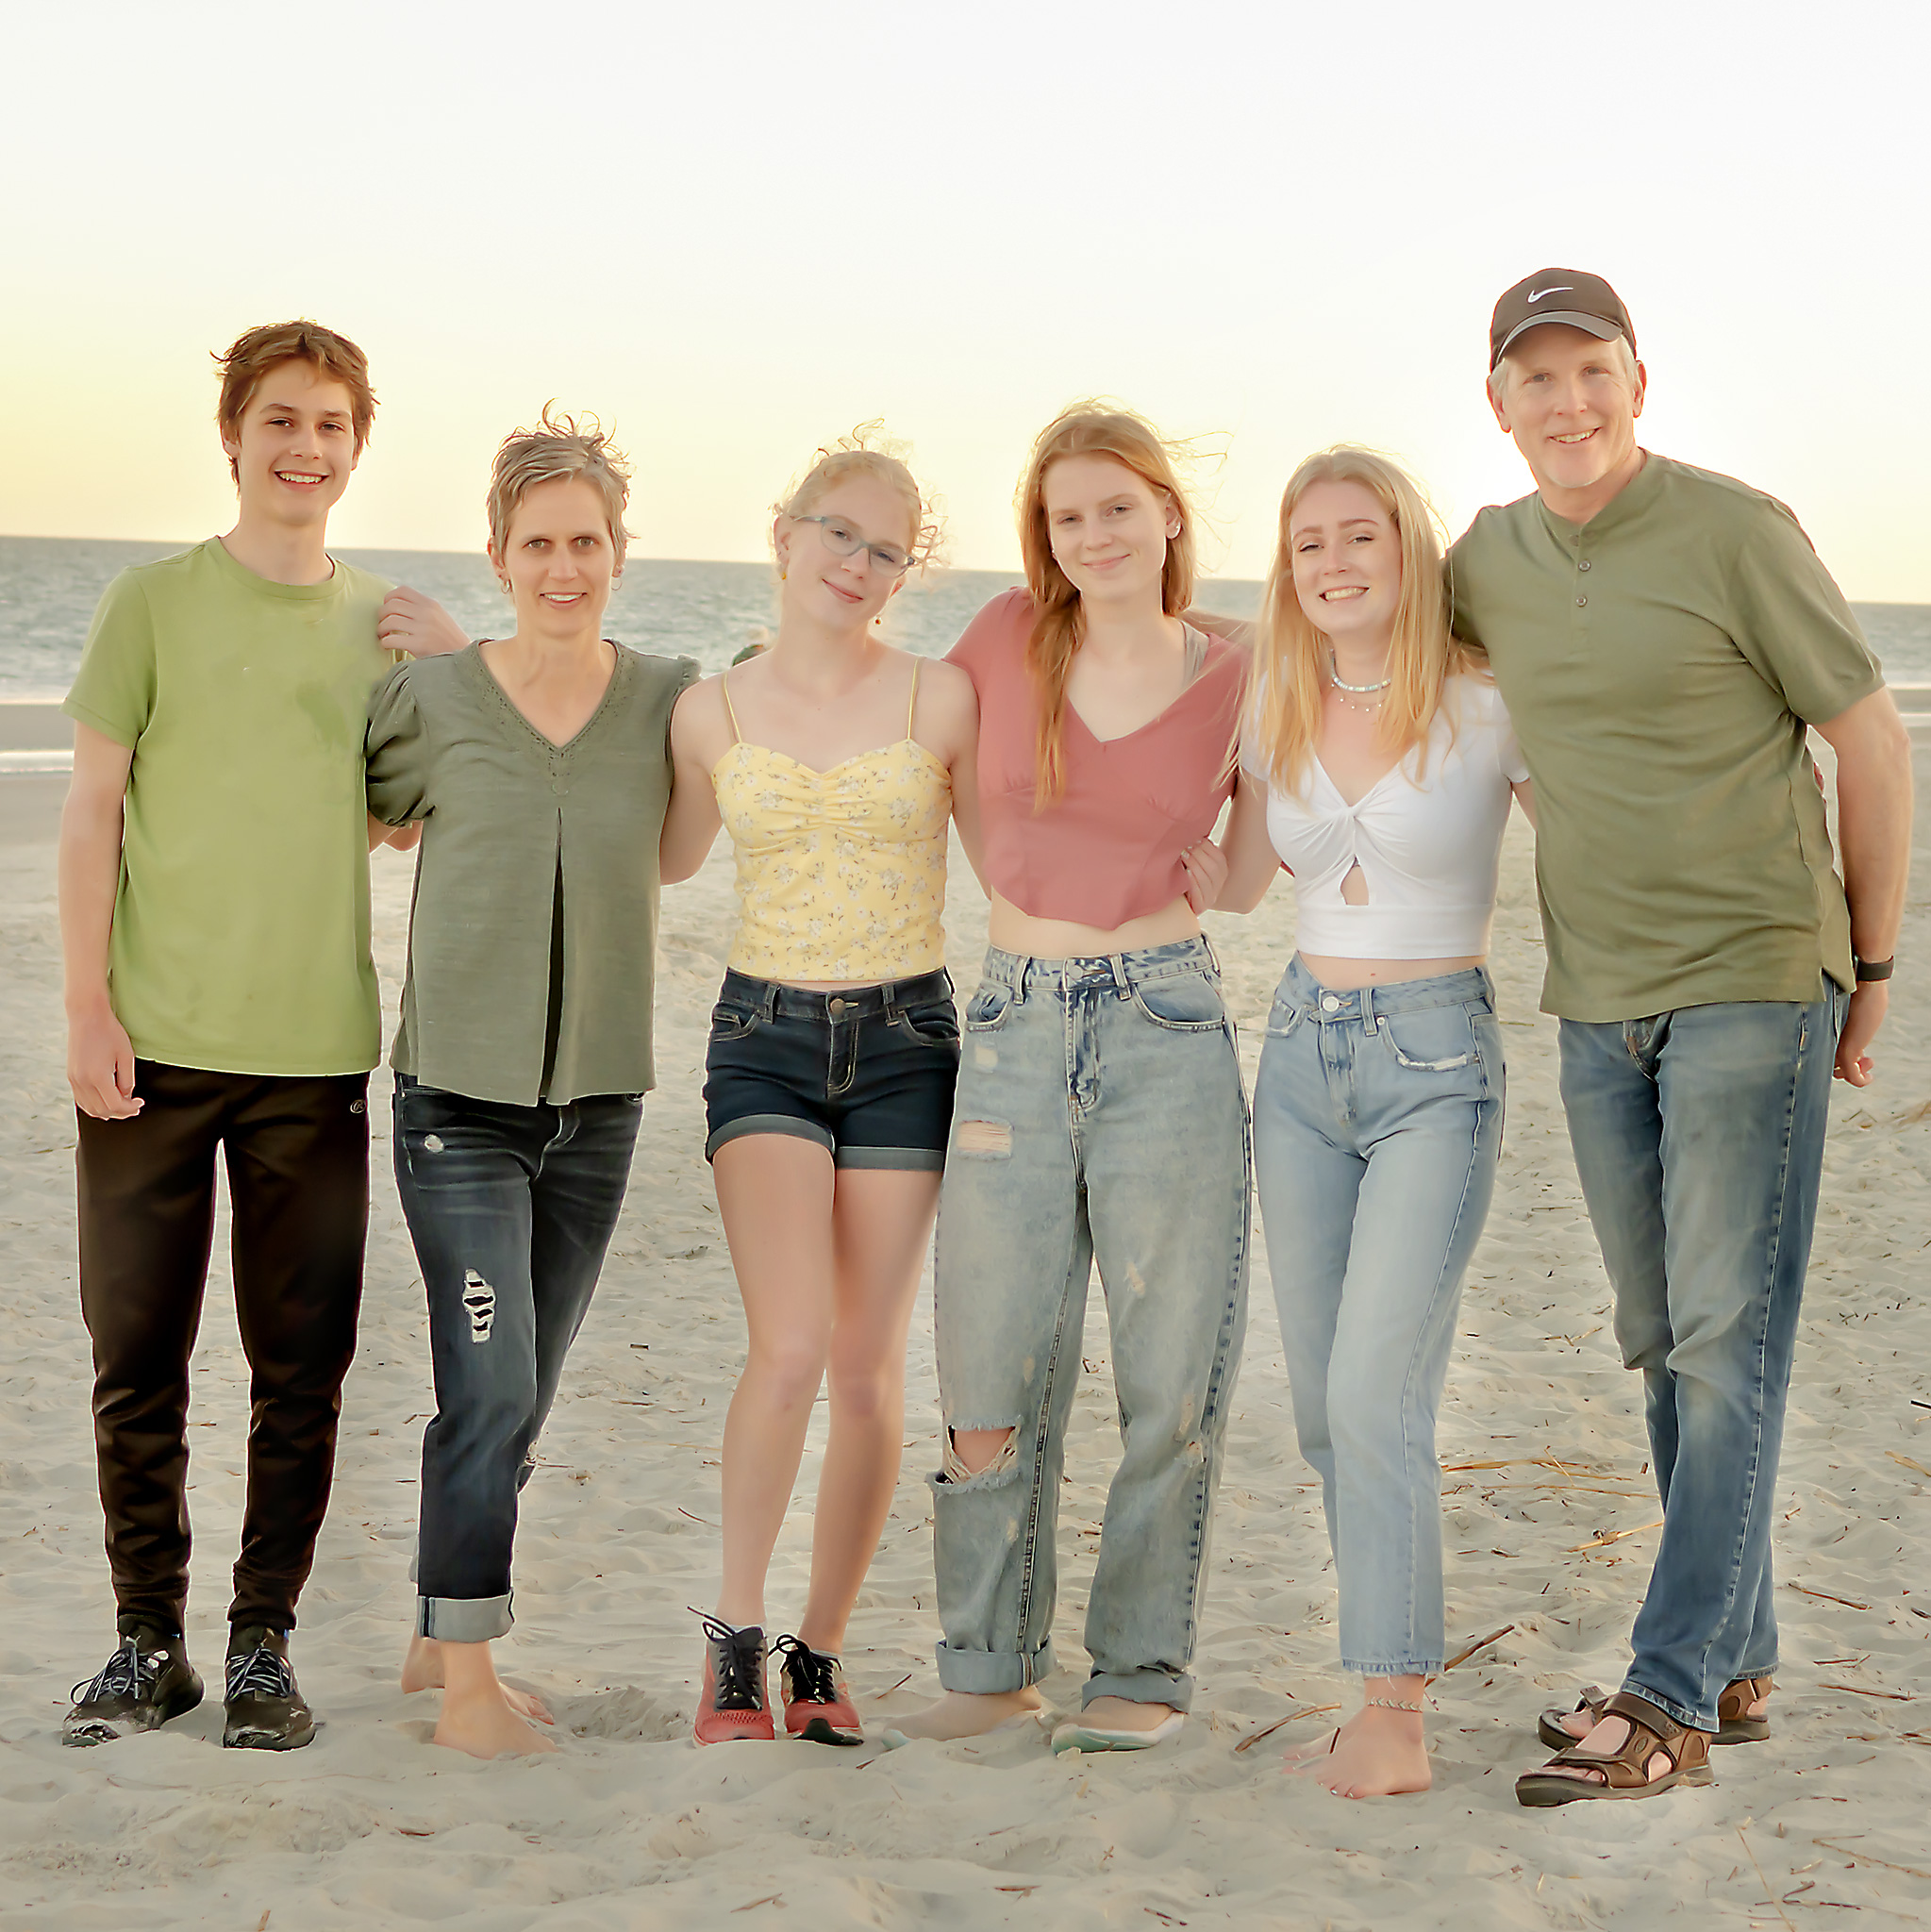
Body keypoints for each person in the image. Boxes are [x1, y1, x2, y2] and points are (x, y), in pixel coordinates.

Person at [1447, 271, 1914, 1805]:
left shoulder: (1736, 529)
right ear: (1497, 403)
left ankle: (1669, 1697)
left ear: (1638, 381)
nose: (1567, 403)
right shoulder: (1487, 562)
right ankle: (1739, 1650)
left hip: (1750, 983)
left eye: (1592, 372)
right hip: (1597, 1002)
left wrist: (1873, 963)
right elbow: (1414, 693)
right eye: (1537, 380)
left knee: (1730, 1340)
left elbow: (1865, 735)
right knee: (1664, 1346)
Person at [57, 320, 462, 1749]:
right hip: (150, 1046)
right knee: (136, 1352)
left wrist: (454, 665)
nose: (305, 446)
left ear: (358, 447)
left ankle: (260, 1647)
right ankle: (144, 1640)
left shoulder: (377, 628)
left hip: (310, 1053)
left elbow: (404, 813)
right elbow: (93, 811)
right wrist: (86, 1009)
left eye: (332, 425)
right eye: (280, 419)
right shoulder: (151, 606)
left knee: (302, 1366)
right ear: (233, 436)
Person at [887, 404, 1248, 1757]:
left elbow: (1279, 828)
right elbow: (879, 715)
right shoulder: (999, 637)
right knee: (989, 1362)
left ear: (1166, 512)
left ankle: (1141, 1667)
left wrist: (1242, 875)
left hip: (1168, 1019)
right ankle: (989, 1666)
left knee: (1170, 1373)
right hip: (1013, 1020)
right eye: (1065, 514)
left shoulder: (1239, 669)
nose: (1092, 533)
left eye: (1115, 506)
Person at [365, 414, 697, 1757]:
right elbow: (382, 815)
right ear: (498, 555)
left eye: (587, 542)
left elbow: (679, 855)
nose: (564, 565)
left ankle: (435, 1636)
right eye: (539, 543)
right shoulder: (435, 699)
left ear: (620, 552)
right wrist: (453, 670)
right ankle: (465, 1692)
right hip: (459, 1099)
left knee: (529, 1384)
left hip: (602, 1100)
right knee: (488, 1380)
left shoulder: (671, 697)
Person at [1210, 448, 1533, 1797]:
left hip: (1436, 1062)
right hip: (1297, 1059)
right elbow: (1224, 882)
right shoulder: (1266, 708)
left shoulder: (1491, 706)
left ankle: (1395, 1714)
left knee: (1373, 1389)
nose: (1335, 563)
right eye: (1308, 546)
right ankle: (1373, 1686)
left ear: (1409, 551)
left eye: (1360, 537)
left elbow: (1601, 832)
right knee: (1324, 1414)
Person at [660, 433, 980, 1745]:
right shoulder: (707, 713)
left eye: (885, 547)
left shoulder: (941, 699)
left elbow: (1021, 852)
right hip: (765, 1038)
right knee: (788, 1347)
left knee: (865, 1367)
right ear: (785, 534)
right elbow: (662, 858)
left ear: (908, 571)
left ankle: (822, 1655)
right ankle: (732, 1648)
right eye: (836, 532)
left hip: (910, 1039)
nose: (857, 562)